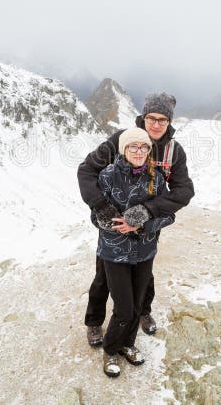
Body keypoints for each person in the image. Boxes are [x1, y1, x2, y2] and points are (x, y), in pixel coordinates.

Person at [78, 92, 195, 347]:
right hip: (114, 223)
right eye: (151, 117)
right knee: (104, 273)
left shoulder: (173, 151)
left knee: (144, 270)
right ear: (142, 117)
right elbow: (87, 170)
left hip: (147, 224)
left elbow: (184, 191)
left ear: (169, 122)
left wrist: (146, 212)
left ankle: (142, 311)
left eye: (162, 120)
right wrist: (101, 207)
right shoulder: (123, 140)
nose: (155, 124)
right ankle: (95, 320)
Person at [93, 128, 176, 377]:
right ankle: (110, 351)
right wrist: (123, 226)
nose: (139, 152)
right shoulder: (107, 176)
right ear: (123, 149)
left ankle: (128, 344)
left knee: (138, 305)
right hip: (114, 253)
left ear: (149, 150)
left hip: (145, 252)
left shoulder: (157, 179)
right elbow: (95, 217)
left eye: (144, 147)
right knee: (125, 308)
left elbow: (169, 215)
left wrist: (142, 223)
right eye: (133, 147)